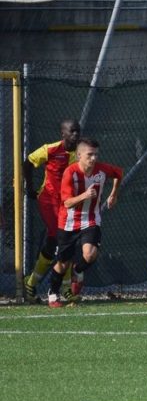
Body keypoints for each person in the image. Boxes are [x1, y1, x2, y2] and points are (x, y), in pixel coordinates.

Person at [45, 137, 122, 308]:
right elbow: (67, 203)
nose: (93, 158)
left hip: (91, 219)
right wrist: (84, 196)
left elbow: (118, 173)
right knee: (63, 263)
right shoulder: (70, 173)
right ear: (79, 155)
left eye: (96, 154)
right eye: (89, 155)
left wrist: (113, 194)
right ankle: (53, 292)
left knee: (90, 254)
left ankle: (78, 270)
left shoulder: (101, 170)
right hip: (68, 222)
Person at [22, 119, 79, 303]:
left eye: (77, 131)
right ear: (63, 134)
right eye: (72, 131)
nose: (75, 135)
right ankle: (62, 287)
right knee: (59, 237)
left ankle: (32, 283)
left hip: (67, 203)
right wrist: (29, 187)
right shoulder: (51, 149)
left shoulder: (81, 152)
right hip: (48, 201)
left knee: (59, 241)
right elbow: (28, 162)